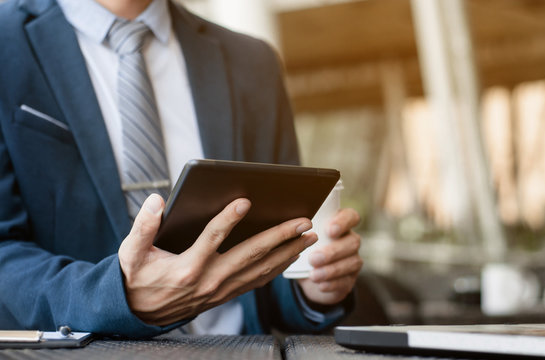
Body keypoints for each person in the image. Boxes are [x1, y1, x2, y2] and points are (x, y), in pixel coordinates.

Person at [0, 0, 362, 338]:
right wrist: (117, 296)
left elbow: (270, 256)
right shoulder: (7, 42)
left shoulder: (252, 62)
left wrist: (312, 286)